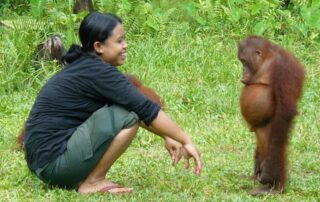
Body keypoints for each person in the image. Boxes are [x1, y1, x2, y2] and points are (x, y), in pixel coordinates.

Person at [24, 11, 202, 195]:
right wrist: (185, 140)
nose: (125, 46)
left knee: (128, 110)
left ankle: (87, 177)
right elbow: (144, 108)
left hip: (44, 164)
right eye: (119, 41)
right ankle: (93, 182)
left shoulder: (86, 66)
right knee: (128, 115)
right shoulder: (99, 72)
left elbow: (138, 107)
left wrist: (166, 136)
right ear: (99, 46)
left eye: (125, 40)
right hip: (54, 165)